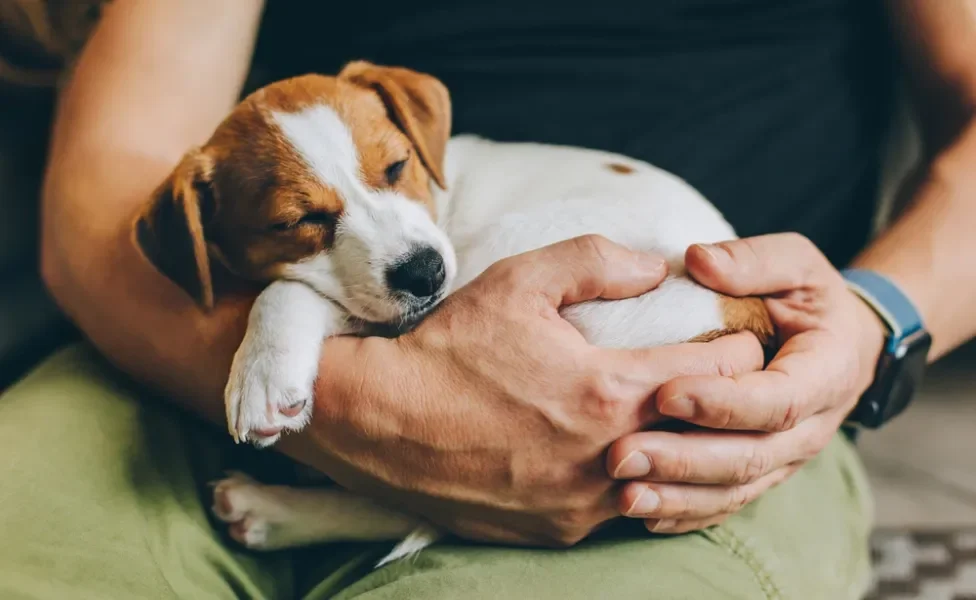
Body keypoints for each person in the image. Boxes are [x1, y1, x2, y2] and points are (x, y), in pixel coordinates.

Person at [3, 0, 976, 598]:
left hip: (714, 406)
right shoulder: (263, 210)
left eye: (394, 173)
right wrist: (364, 401)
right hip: (191, 363)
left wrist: (871, 315)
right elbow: (109, 175)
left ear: (417, 140)